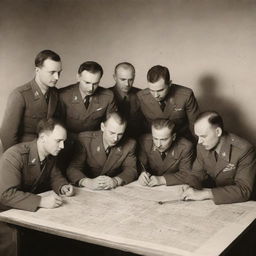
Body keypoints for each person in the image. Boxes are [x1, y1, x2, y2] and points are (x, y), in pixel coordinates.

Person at [0, 118, 74, 256]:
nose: (62, 146)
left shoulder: (50, 155)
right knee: (15, 242)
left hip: (24, 210)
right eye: (58, 141)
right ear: (43, 137)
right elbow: (6, 195)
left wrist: (63, 186)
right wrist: (41, 201)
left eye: (64, 141)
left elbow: (55, 176)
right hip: (4, 213)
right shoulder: (15, 155)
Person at [182, 111, 256, 204]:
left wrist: (205, 194)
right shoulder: (202, 146)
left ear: (218, 132)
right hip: (218, 202)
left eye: (203, 136)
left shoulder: (244, 150)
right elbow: (197, 174)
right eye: (198, 136)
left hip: (244, 204)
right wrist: (190, 187)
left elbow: (244, 190)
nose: (199, 141)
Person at [0, 50, 63, 151]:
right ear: (37, 70)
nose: (57, 77)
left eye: (59, 72)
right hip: (24, 151)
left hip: (47, 152)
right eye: (52, 72)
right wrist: (17, 159)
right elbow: (7, 135)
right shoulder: (20, 95)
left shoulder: (56, 94)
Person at [66, 112, 137, 190]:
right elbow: (73, 169)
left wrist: (115, 181)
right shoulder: (85, 140)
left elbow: (131, 170)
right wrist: (88, 182)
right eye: (112, 133)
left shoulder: (130, 144)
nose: (115, 138)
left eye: (120, 134)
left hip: (112, 190)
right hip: (88, 189)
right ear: (102, 127)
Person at [137, 65, 199, 142]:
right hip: (155, 142)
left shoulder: (186, 95)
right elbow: (139, 127)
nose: (156, 95)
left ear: (169, 84)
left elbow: (195, 127)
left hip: (181, 141)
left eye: (160, 90)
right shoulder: (141, 97)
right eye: (152, 90)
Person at [59, 61, 116, 134]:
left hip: (94, 140)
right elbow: (58, 126)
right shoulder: (64, 95)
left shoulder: (108, 96)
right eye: (87, 83)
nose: (91, 88)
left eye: (95, 84)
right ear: (78, 77)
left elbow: (111, 125)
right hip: (69, 140)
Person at [138, 119, 194, 187]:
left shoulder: (185, 147)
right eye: (155, 139)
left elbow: (186, 174)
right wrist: (142, 173)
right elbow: (140, 165)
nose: (158, 144)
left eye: (163, 139)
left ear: (173, 137)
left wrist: (161, 180)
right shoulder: (145, 141)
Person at [109, 62, 142, 138]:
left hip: (137, 140)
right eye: (123, 79)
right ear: (114, 77)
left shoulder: (141, 95)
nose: (127, 84)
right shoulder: (105, 96)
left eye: (130, 79)